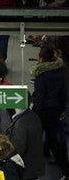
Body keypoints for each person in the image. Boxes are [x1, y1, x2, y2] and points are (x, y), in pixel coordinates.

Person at [31, 47, 69, 178]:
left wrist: (33, 113)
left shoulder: (41, 75)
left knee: (34, 139)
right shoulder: (60, 72)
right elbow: (64, 93)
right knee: (55, 139)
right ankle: (64, 168)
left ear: (41, 58)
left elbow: (39, 99)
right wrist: (63, 109)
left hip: (44, 112)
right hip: (56, 110)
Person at [5, 103, 46, 180]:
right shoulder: (33, 115)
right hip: (33, 167)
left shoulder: (20, 124)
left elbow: (17, 151)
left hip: (25, 170)